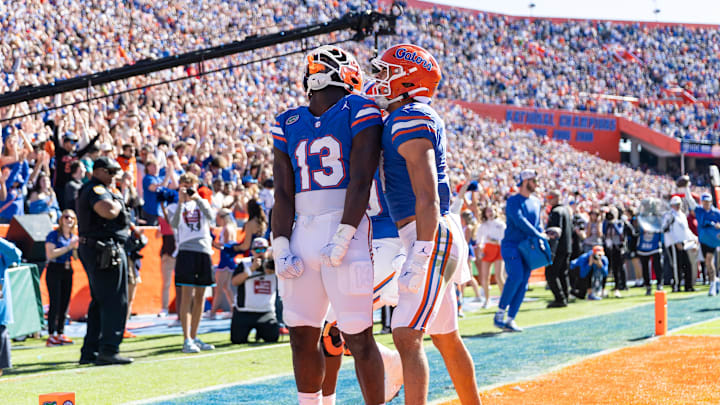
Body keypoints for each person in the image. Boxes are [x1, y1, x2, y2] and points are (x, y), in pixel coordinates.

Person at [272, 45, 385, 405]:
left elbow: (361, 179)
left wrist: (343, 234)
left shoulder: (356, 110)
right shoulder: (289, 121)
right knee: (305, 333)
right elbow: (284, 192)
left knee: (354, 335)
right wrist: (280, 246)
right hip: (315, 230)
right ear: (345, 73)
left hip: (340, 230)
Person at [368, 43, 480, 405]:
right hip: (425, 231)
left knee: (405, 334)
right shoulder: (401, 117)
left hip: (428, 232)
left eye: (386, 73)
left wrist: (421, 251)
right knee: (445, 337)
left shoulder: (411, 117)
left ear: (406, 81)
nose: (379, 79)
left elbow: (428, 194)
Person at [76, 156, 134, 365]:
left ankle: (91, 350)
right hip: (103, 249)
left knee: (100, 300)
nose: (113, 177)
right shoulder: (96, 189)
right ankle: (108, 349)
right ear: (98, 171)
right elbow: (107, 211)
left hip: (101, 248)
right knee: (114, 300)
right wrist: (118, 201)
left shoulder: (102, 189)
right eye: (109, 172)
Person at [494, 169, 547, 332]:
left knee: (523, 283)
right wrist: (539, 235)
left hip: (528, 247)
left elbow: (538, 224)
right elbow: (519, 221)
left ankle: (510, 319)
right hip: (512, 245)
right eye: (534, 181)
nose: (536, 184)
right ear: (525, 181)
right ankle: (500, 314)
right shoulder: (513, 201)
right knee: (516, 276)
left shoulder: (536, 201)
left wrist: (541, 237)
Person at [171, 172, 216, 353]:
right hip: (186, 251)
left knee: (200, 297)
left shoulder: (202, 202)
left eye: (191, 184)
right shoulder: (175, 205)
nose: (188, 187)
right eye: (184, 183)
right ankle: (186, 338)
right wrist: (182, 202)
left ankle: (195, 335)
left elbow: (211, 217)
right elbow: (174, 224)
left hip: (204, 250)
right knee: (186, 297)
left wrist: (196, 198)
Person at [230, 238, 279, 344]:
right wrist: (251, 270)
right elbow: (234, 282)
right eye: (257, 250)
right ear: (252, 251)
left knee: (272, 338)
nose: (260, 252)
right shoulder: (244, 263)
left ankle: (261, 331)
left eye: (263, 249)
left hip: (265, 312)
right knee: (238, 340)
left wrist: (273, 268)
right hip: (244, 312)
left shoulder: (275, 264)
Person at [45, 209, 79, 346]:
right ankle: (51, 334)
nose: (68, 220)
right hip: (55, 269)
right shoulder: (54, 235)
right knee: (55, 301)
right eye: (66, 217)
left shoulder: (72, 236)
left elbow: (75, 258)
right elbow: (51, 254)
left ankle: (61, 332)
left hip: (67, 268)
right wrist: (68, 247)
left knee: (65, 301)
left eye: (71, 218)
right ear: (61, 220)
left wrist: (75, 248)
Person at [682, 185, 720, 296]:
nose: (705, 204)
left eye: (707, 202)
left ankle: (713, 282)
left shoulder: (717, 213)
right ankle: (714, 281)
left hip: (715, 241)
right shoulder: (699, 211)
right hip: (704, 240)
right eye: (704, 202)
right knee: (708, 262)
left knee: (710, 261)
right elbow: (689, 200)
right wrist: (686, 187)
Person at [662, 196, 696, 292]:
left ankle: (688, 285)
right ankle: (676, 285)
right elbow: (666, 229)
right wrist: (675, 241)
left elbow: (685, 230)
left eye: (678, 204)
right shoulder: (669, 215)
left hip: (683, 242)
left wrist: (694, 238)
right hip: (673, 243)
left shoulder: (682, 215)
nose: (677, 206)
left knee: (687, 264)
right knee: (677, 265)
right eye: (675, 204)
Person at [545, 190, 572, 307]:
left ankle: (560, 298)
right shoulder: (565, 210)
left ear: (556, 198)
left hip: (558, 248)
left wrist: (552, 251)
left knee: (551, 273)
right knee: (563, 273)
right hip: (567, 247)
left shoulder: (556, 212)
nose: (548, 199)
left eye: (550, 197)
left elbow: (555, 232)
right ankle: (565, 296)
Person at [211, 208, 239, 319]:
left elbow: (226, 246)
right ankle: (233, 310)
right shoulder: (231, 227)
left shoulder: (227, 228)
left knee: (219, 288)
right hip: (229, 260)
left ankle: (212, 312)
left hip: (225, 260)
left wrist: (213, 242)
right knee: (226, 287)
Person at [476, 205, 506, 307]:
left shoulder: (501, 224)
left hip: (499, 250)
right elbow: (479, 240)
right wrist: (480, 249)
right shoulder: (483, 225)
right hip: (487, 251)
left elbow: (503, 240)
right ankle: (487, 300)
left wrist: (494, 241)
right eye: (487, 211)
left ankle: (505, 299)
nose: (490, 213)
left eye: (491, 210)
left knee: (499, 276)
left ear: (495, 211)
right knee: (485, 277)